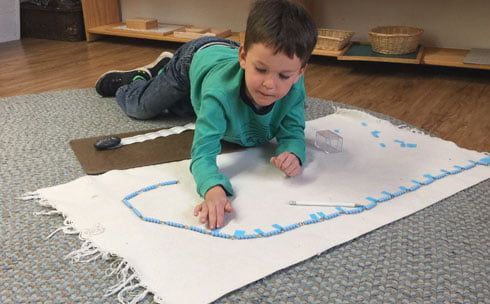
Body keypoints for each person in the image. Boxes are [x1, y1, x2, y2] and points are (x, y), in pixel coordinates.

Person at [95, 0, 318, 229]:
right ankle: (139, 78)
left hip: (219, 61)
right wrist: (212, 188)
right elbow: (202, 153)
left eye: (284, 76)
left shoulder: (295, 90)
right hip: (192, 59)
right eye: (260, 70)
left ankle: (167, 74)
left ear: (300, 73)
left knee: (185, 108)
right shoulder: (218, 93)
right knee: (141, 107)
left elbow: (293, 131)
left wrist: (293, 152)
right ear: (243, 58)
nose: (270, 84)